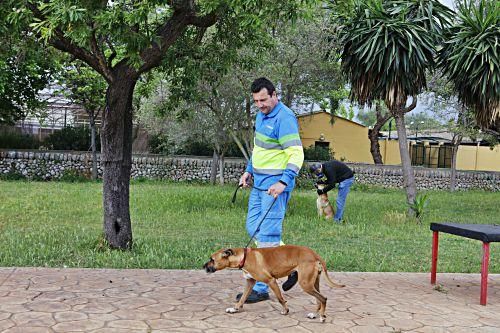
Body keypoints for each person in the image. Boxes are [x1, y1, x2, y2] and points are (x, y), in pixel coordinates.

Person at [237, 77, 304, 303]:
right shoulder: (261, 115)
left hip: (275, 186)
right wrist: (248, 170)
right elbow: (259, 148)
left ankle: (261, 288)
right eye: (256, 101)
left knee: (267, 235)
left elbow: (296, 154)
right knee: (253, 227)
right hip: (259, 183)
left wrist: (283, 182)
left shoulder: (285, 119)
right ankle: (290, 264)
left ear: (275, 95)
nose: (260, 104)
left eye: (263, 99)